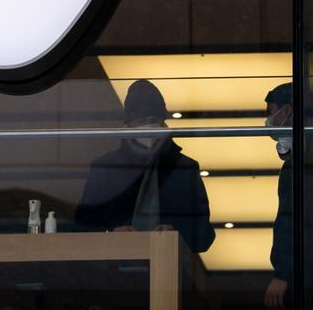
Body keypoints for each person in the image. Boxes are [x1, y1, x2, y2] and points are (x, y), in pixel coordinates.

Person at [75, 80, 215, 252]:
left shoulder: (184, 169)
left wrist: (176, 235)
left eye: (153, 120)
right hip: (113, 269)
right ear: (127, 127)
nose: (148, 126)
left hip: (168, 267)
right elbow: (82, 227)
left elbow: (204, 236)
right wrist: (110, 234)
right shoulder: (105, 168)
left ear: (164, 124)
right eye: (141, 121)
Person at [263, 83, 313, 310]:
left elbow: (295, 217)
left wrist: (282, 273)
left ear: (287, 111)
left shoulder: (306, 160)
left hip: (305, 270)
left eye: (271, 112)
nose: (268, 120)